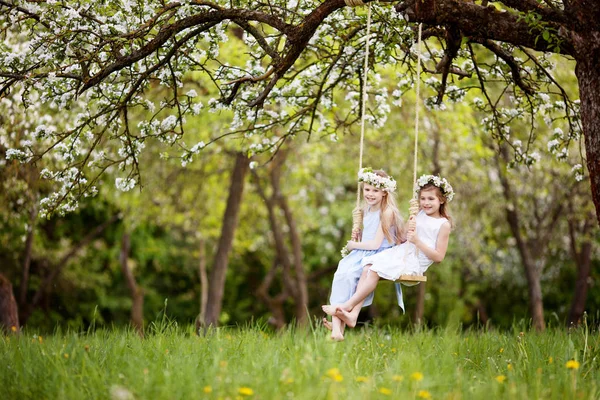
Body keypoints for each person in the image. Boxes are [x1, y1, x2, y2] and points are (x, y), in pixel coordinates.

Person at [322, 174, 453, 328]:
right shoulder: (419, 214)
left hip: (415, 260)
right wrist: (407, 226)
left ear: (442, 200)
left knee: (374, 270)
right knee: (367, 266)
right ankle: (352, 316)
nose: (425, 203)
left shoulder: (444, 224)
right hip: (402, 251)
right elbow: (402, 238)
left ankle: (346, 306)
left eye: (431, 199)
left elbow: (438, 257)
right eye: (423, 199)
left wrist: (417, 241)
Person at [324, 168, 405, 341]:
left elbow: (376, 244)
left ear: (384, 192)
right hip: (363, 252)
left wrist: (354, 245)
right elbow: (368, 235)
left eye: (375, 190)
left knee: (353, 274)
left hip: (378, 254)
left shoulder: (387, 212)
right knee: (341, 274)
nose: (370, 194)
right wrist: (358, 236)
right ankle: (337, 330)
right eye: (367, 189)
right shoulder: (366, 209)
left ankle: (344, 319)